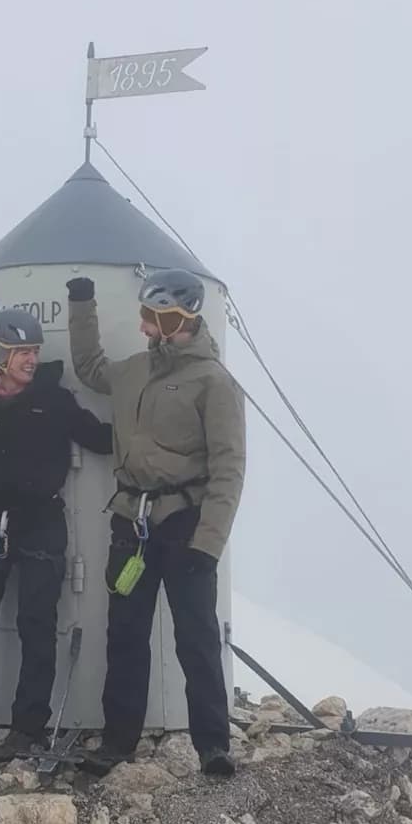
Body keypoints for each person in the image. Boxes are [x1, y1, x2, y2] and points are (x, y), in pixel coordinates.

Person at [66, 269, 245, 776]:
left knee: (196, 636)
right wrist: (82, 303)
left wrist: (207, 543)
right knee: (125, 633)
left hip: (186, 525)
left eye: (151, 317)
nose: (143, 327)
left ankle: (213, 745)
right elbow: (88, 367)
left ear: (175, 319)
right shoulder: (133, 372)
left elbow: (229, 469)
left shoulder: (215, 382)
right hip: (131, 522)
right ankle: (118, 741)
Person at [0, 308, 112, 761]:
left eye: (33, 351)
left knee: (37, 627)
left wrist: (149, 420)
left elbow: (100, 439)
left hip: (41, 524)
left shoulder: (55, 400)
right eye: (21, 352)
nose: (31, 359)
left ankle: (28, 729)